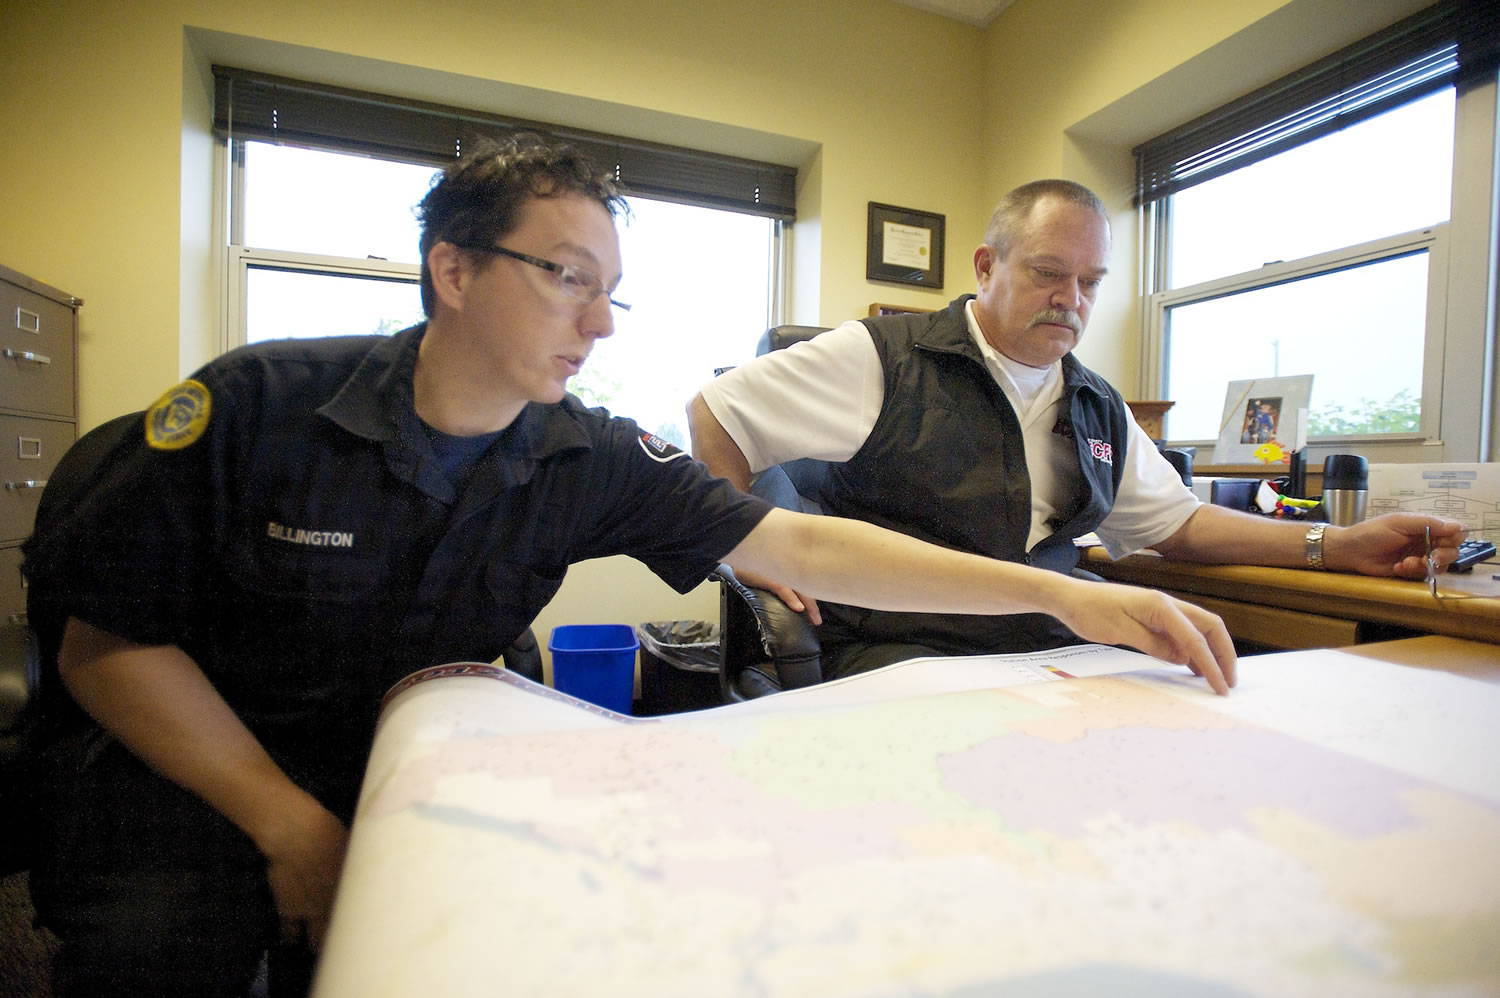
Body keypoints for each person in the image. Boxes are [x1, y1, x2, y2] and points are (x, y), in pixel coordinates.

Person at [23, 140, 1245, 998]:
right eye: (566, 279)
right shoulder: (258, 406)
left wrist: (1064, 589)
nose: (599, 323)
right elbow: (103, 645)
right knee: (160, 948)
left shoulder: (584, 451)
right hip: (190, 754)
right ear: (455, 269)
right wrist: (289, 820)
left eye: (611, 292)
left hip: (399, 743)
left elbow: (796, 540)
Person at [687, 179, 1465, 680]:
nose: (1072, 299)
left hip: (1052, 642)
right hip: (907, 646)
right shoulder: (881, 358)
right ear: (987, 266)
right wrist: (744, 546)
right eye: (1047, 273)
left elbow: (1179, 526)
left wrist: (1333, 545)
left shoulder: (1096, 404)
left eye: (1089, 282)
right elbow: (716, 412)